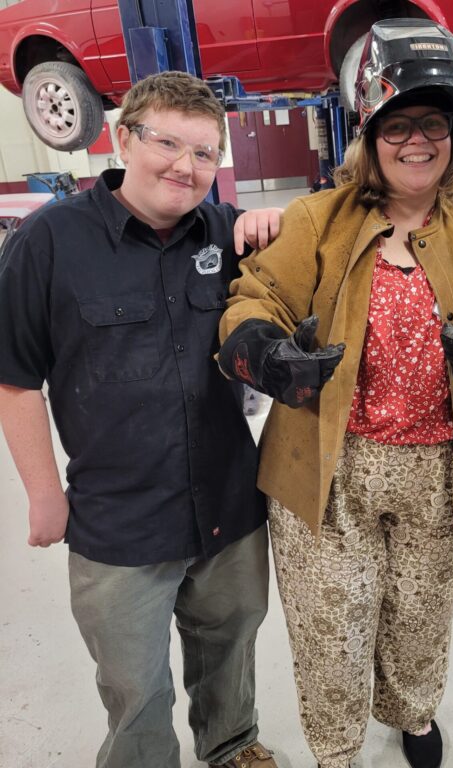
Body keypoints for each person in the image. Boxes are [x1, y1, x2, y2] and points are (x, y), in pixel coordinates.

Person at [217, 18, 453, 768]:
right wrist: (266, 355)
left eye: (433, 124)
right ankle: (337, 750)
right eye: (399, 124)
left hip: (435, 470)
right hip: (330, 473)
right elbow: (254, 298)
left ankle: (413, 715)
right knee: (331, 625)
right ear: (370, 132)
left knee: (420, 616)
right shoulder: (318, 219)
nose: (417, 141)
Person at [0, 71, 282, 768]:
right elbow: (13, 379)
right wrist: (44, 495)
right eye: (167, 143)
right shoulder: (48, 243)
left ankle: (232, 743)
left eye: (205, 153)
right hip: (119, 523)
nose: (185, 168)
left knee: (230, 647)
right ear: (123, 138)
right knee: (136, 683)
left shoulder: (228, 233)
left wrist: (279, 226)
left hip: (227, 505)